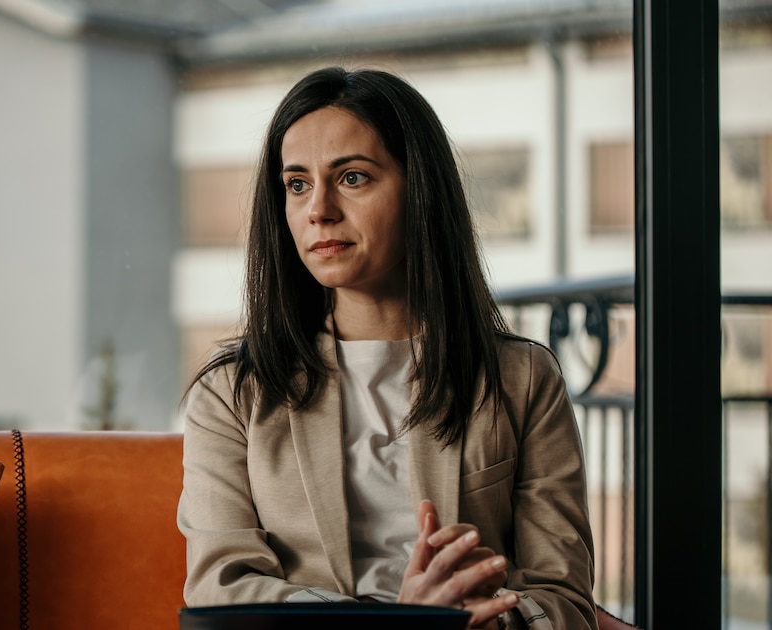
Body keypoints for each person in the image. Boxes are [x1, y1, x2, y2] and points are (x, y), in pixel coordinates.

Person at [177, 67, 597, 630]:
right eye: (297, 184)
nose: (318, 209)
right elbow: (218, 587)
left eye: (352, 178)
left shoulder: (522, 378)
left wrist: (488, 620)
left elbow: (564, 598)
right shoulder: (230, 394)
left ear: (418, 189)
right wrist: (400, 623)